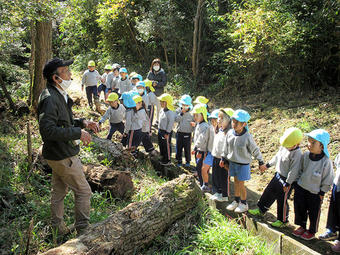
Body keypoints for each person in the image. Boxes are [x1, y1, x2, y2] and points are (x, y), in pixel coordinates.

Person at [38, 58, 100, 235]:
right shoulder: (50, 98)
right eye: (65, 71)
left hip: (56, 154)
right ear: (56, 78)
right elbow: (48, 130)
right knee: (83, 191)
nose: (70, 74)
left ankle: (57, 228)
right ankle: (84, 231)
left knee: (58, 192)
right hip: (63, 154)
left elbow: (64, 122)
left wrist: (82, 123)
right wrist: (77, 133)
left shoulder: (59, 94)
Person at [248, 127, 303, 228]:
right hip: (278, 175)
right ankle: (261, 209)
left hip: (287, 180)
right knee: (268, 192)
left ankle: (283, 220)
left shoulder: (297, 154)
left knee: (282, 199)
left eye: (288, 146)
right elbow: (277, 157)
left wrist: (288, 183)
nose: (286, 147)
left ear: (296, 144)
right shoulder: (284, 146)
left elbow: (294, 170)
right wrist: (267, 165)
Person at [220, 109, 266, 213]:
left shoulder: (247, 137)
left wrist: (260, 161)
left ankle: (244, 203)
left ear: (244, 124)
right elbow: (226, 146)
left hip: (243, 164)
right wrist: (223, 157)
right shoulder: (230, 133)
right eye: (233, 121)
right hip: (233, 162)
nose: (234, 124)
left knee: (241, 184)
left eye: (237, 122)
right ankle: (236, 200)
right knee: (235, 182)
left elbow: (255, 149)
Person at [293, 129, 334, 241]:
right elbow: (300, 169)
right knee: (300, 208)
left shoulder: (326, 162)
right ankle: (302, 226)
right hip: (302, 187)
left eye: (313, 142)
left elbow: (328, 179)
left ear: (322, 146)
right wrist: (297, 182)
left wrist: (322, 192)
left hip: (315, 192)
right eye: (308, 141)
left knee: (314, 212)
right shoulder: (305, 156)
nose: (309, 144)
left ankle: (311, 230)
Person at [210, 108, 233, 199]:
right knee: (216, 175)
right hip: (215, 156)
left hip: (224, 159)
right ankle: (217, 192)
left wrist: (226, 159)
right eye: (218, 117)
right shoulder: (219, 130)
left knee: (223, 177)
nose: (218, 120)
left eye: (222, 118)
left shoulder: (229, 133)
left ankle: (224, 195)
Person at [201, 109, 220, 192]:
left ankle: (218, 188)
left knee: (217, 174)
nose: (213, 121)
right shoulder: (210, 128)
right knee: (204, 169)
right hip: (210, 152)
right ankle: (205, 184)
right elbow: (206, 139)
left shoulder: (223, 131)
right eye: (211, 119)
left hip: (219, 155)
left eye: (214, 119)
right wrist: (204, 151)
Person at [192, 104, 210, 186]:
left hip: (202, 150)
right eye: (194, 115)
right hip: (198, 149)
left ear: (202, 115)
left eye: (197, 115)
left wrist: (196, 147)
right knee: (197, 165)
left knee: (200, 167)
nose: (195, 117)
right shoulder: (199, 124)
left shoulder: (205, 126)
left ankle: (203, 183)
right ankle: (200, 180)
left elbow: (202, 138)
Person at [175, 95, 194, 167]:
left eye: (186, 105)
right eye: (183, 105)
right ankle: (179, 161)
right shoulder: (178, 110)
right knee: (178, 147)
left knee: (187, 148)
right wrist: (181, 114)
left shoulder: (192, 113)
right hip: (179, 132)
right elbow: (176, 119)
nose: (185, 106)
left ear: (189, 105)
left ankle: (188, 161)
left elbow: (195, 122)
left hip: (188, 133)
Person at [146, 58, 167, 123]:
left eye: (157, 64)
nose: (156, 66)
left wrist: (157, 84)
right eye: (155, 64)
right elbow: (146, 81)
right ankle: (149, 120)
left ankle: (158, 121)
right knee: (150, 107)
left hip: (159, 94)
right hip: (151, 93)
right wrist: (151, 83)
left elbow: (164, 83)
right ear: (152, 65)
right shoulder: (150, 73)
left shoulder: (162, 73)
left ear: (160, 65)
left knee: (159, 108)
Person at [158, 93, 176, 165]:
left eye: (161, 101)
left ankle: (167, 159)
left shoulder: (170, 112)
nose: (160, 103)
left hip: (166, 131)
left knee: (166, 145)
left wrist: (167, 132)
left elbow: (171, 123)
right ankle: (162, 157)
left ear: (166, 103)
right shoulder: (162, 110)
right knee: (161, 144)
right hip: (160, 130)